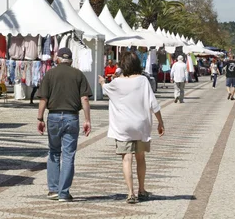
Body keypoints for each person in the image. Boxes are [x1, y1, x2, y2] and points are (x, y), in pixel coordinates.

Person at [99, 51, 165, 204]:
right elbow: (153, 104)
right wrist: (160, 123)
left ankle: (130, 193)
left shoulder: (117, 82)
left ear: (123, 65)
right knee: (140, 157)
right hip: (141, 125)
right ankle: (142, 189)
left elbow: (106, 89)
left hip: (123, 126)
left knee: (126, 159)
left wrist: (102, 82)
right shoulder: (143, 80)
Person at [37, 47, 92, 202]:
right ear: (71, 60)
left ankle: (53, 190)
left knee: (54, 152)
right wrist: (87, 120)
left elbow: (43, 99)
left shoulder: (50, 74)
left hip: (53, 117)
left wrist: (40, 119)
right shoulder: (78, 74)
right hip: (71, 117)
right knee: (68, 155)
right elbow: (85, 99)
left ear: (58, 59)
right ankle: (63, 193)